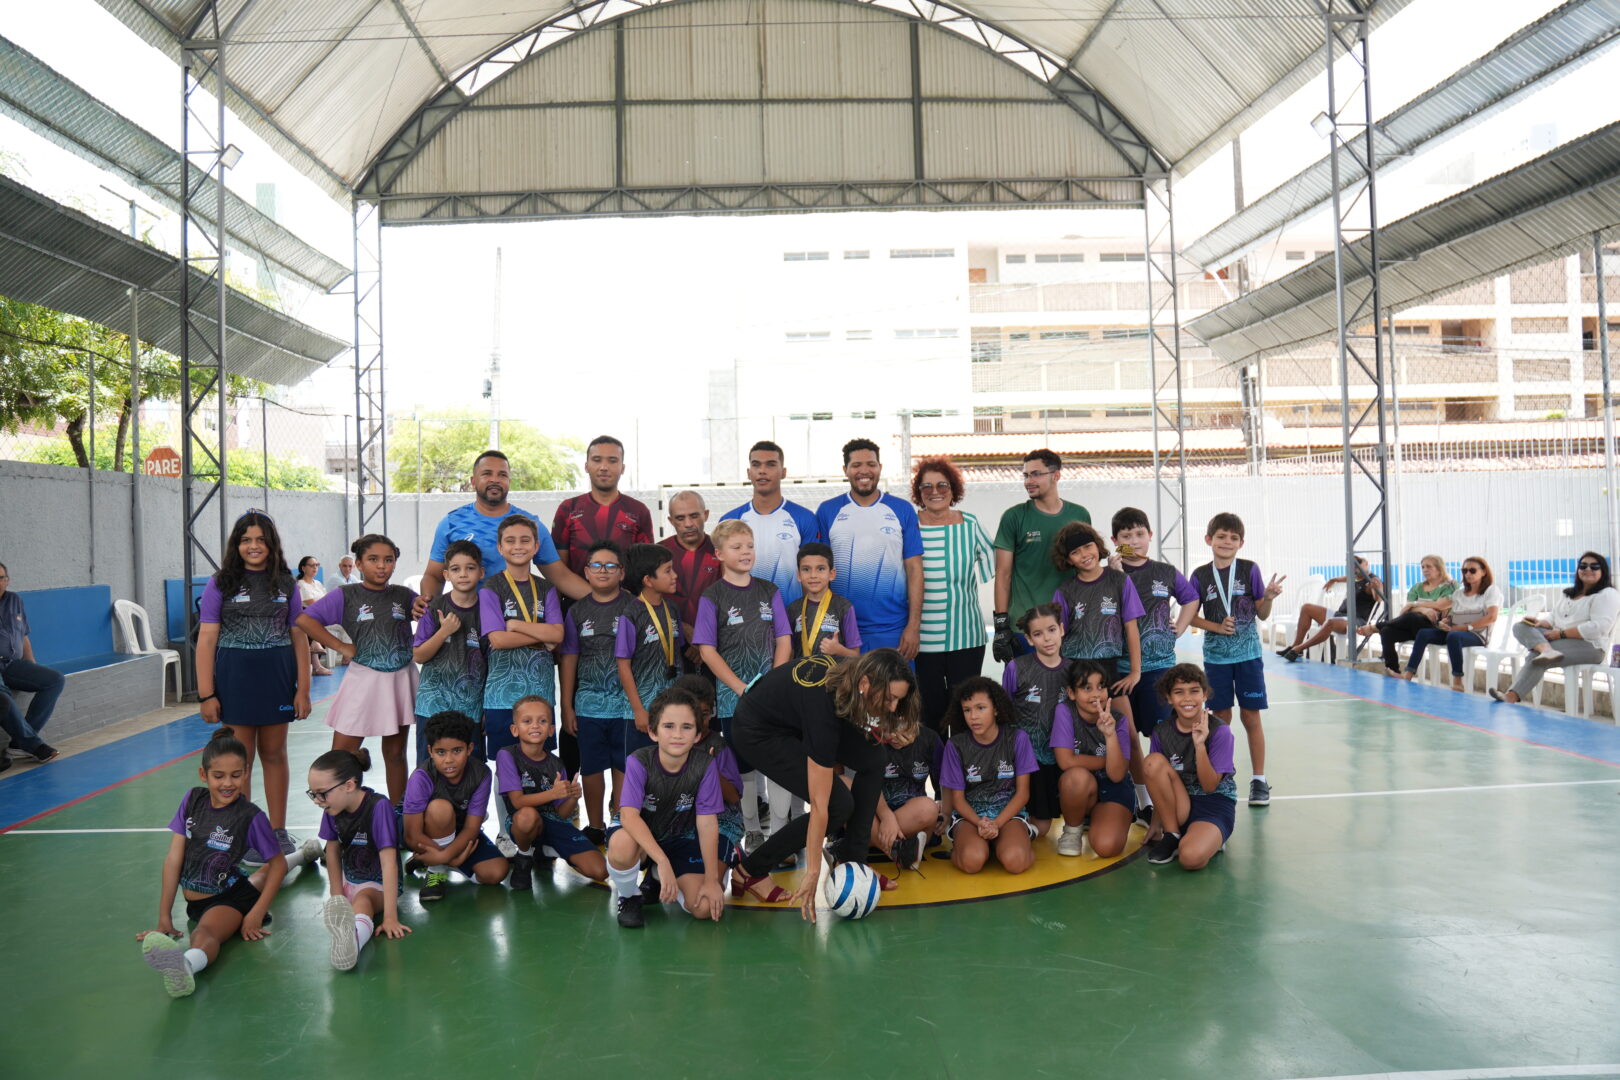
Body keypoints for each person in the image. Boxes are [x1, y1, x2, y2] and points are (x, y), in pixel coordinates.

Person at [730, 650, 920, 921]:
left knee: (874, 757)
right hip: (757, 731)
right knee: (837, 804)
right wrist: (813, 872)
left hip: (791, 721)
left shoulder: (854, 675)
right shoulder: (822, 706)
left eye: (898, 700)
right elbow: (819, 805)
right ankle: (749, 871)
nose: (892, 707)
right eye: (889, 698)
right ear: (866, 683)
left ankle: (853, 863)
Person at [135, 728, 291, 999]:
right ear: (203, 775)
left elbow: (277, 864)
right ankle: (307, 854)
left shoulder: (250, 816)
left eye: (236, 775)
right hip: (205, 897)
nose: (227, 783)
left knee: (205, 933)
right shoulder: (192, 800)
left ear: (246, 772)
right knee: (260, 877)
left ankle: (185, 966)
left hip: (228, 899)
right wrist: (164, 916)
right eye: (218, 776)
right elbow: (173, 859)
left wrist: (255, 913)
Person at [195, 510, 312, 853]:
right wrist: (206, 694)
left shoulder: (286, 583)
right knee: (239, 759)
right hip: (235, 680)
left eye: (261, 539)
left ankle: (277, 830)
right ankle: (242, 830)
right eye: (246, 540)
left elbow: (299, 638)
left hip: (276, 678)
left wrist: (303, 689)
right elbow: (205, 641)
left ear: (272, 543)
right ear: (237, 544)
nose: (254, 546)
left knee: (274, 753)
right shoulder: (221, 583)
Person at [296, 534, 419, 805]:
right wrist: (341, 645)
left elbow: (430, 616)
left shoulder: (405, 595)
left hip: (400, 678)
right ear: (360, 563)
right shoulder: (345, 595)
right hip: (363, 680)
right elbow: (305, 619)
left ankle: (399, 815)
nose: (382, 566)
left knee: (396, 754)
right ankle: (337, 816)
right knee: (340, 756)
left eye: (389, 560)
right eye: (373, 559)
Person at [695, 520, 792, 846]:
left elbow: (784, 640)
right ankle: (751, 830)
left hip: (773, 700)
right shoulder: (713, 596)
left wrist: (775, 685)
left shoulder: (769, 590)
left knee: (778, 765)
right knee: (744, 769)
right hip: (732, 699)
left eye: (749, 546)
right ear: (720, 554)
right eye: (737, 547)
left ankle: (780, 834)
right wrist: (740, 688)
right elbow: (707, 650)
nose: (745, 552)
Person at [606, 688, 727, 928]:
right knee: (621, 845)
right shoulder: (639, 761)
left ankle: (655, 877)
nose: (677, 735)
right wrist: (662, 860)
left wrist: (712, 880)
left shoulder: (705, 765)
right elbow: (629, 817)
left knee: (704, 908)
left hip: (678, 837)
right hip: (639, 839)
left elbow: (707, 822)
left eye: (687, 727)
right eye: (669, 726)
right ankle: (629, 896)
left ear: (697, 735)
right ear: (653, 732)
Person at [1185, 513, 1283, 807]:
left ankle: (1259, 780)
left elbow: (1261, 614)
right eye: (1221, 536)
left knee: (1251, 716)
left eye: (1233, 538)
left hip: (1249, 656)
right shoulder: (1200, 576)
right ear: (1208, 540)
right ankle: (1220, 776)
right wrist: (1216, 627)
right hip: (1216, 658)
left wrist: (1268, 597)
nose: (1227, 542)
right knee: (1220, 718)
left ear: (1241, 543)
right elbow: (1192, 615)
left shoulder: (1250, 569)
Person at [414, 450, 586, 615]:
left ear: (509, 481)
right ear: (473, 481)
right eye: (487, 473)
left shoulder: (530, 525)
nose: (495, 480)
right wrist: (428, 607)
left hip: (515, 621)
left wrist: (606, 601)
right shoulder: (451, 523)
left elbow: (561, 577)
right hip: (464, 622)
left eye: (502, 475)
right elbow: (434, 576)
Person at [1109, 507, 1199, 816]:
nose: (1133, 541)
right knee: (1129, 736)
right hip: (1120, 670)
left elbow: (1191, 598)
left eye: (1138, 534)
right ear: (1114, 540)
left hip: (1160, 668)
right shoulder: (1110, 574)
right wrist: (1117, 572)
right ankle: (1143, 798)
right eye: (1125, 536)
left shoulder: (1165, 571)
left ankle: (1171, 793)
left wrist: (1183, 625)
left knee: (1161, 733)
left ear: (1150, 536)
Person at [815, 438, 924, 657]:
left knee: (893, 691)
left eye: (871, 464)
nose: (864, 470)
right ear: (845, 470)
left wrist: (913, 626)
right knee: (846, 692)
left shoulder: (901, 509)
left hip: (892, 628)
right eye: (856, 465)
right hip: (840, 628)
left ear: (880, 468)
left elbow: (915, 570)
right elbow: (819, 571)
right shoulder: (827, 511)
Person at [559, 538, 636, 844]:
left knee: (622, 765)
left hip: (627, 706)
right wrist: (567, 706)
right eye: (596, 566)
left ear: (621, 572)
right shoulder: (577, 612)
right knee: (591, 768)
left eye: (610, 566)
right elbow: (568, 660)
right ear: (586, 572)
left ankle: (619, 820)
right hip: (588, 705)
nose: (603, 571)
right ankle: (595, 825)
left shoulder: (634, 607)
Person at [911, 456, 994, 733]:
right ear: (918, 492)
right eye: (926, 486)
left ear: (953, 488)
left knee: (965, 713)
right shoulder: (909, 526)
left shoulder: (970, 524)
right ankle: (937, 775)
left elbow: (998, 563)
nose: (935, 491)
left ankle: (963, 774)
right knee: (930, 714)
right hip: (922, 640)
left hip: (967, 636)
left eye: (942, 484)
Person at [309, 748, 409, 972]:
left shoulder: (378, 807)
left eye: (321, 793)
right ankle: (348, 926)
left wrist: (391, 916)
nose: (317, 800)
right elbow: (332, 852)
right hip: (350, 880)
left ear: (349, 785)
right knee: (352, 904)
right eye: (313, 794)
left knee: (363, 901)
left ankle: (351, 945)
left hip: (380, 885)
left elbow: (389, 863)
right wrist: (337, 897)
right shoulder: (332, 809)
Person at [991, 449, 1092, 663]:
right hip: (1025, 626)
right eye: (1026, 475)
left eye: (1036, 474)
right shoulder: (1013, 517)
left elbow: (1087, 567)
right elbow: (1003, 574)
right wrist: (1001, 625)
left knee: (1070, 693)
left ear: (1056, 475)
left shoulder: (1080, 515)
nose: (1029, 481)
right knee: (1029, 695)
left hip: (1069, 624)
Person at [496, 695, 607, 890]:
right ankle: (524, 856)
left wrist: (572, 798)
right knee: (527, 815)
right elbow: (518, 802)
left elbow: (561, 814)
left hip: (553, 824)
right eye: (527, 721)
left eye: (543, 721)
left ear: (551, 730)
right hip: (521, 823)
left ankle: (544, 851)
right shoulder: (506, 755)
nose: (535, 725)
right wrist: (554, 794)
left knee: (600, 871)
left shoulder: (557, 764)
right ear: (515, 729)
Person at [478, 515, 563, 764]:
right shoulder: (492, 587)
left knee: (539, 762)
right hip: (502, 696)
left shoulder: (546, 588)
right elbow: (498, 640)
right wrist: (540, 635)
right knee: (505, 764)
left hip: (540, 695)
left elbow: (557, 635)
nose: (518, 546)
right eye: (510, 541)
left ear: (536, 547)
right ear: (500, 547)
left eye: (525, 540)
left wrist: (515, 625)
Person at [402, 711, 509, 902]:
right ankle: (436, 871)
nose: (449, 760)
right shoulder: (422, 777)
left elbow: (471, 828)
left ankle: (431, 858)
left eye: (457, 751)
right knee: (440, 809)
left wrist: (446, 855)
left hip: (457, 830)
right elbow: (412, 835)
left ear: (469, 749)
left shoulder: (481, 774)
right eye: (441, 752)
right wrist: (450, 858)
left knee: (496, 872)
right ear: (430, 751)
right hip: (422, 830)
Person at [1490, 551, 1620, 705]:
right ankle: (1546, 650)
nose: (1588, 569)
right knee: (1521, 626)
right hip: (1559, 639)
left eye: (1594, 566)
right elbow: (1553, 617)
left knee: (1535, 656)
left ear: (1603, 571)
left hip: (1590, 646)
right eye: (1583, 565)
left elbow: (1599, 628)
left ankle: (1511, 696)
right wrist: (1540, 624)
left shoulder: (1607, 594)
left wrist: (1561, 634)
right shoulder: (1569, 593)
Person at [1051, 523, 1145, 735]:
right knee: (1083, 736)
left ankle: (1135, 770)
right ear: (1067, 560)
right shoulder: (1065, 590)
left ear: (1097, 546)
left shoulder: (1120, 580)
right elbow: (1058, 636)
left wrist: (1135, 672)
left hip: (1110, 671)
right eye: (1075, 552)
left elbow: (1131, 627)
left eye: (1087, 546)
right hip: (1075, 669)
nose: (1084, 554)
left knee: (1127, 734)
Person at [940, 676, 1038, 876]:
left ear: (995, 708)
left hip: (1008, 816)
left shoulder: (1017, 738)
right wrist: (979, 823)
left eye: (980, 708)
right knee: (972, 862)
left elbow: (1022, 794)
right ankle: (972, 846)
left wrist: (997, 824)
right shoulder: (955, 745)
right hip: (970, 818)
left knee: (1015, 862)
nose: (973, 716)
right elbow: (957, 799)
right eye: (967, 710)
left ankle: (1014, 840)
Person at [1143, 664, 1237, 871]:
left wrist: (1199, 745)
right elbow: (1158, 780)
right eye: (1179, 692)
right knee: (1151, 762)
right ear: (1169, 698)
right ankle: (1172, 834)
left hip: (1213, 804)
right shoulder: (1161, 732)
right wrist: (1155, 824)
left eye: (1194, 691)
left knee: (1191, 858)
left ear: (1204, 695)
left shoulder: (1220, 731)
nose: (1187, 698)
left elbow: (1210, 786)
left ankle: (1208, 838)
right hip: (1178, 803)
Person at [412, 540, 487, 765]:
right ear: (446, 574)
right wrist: (443, 631)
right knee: (429, 770)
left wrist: (486, 708)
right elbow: (419, 655)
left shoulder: (488, 610)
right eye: (456, 569)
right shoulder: (434, 607)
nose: (463, 574)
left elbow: (491, 663)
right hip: (432, 707)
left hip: (470, 708)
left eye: (470, 568)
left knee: (471, 772)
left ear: (481, 572)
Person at [720, 440, 822, 605]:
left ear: (783, 472)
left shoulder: (804, 518)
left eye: (770, 465)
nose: (762, 471)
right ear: (749, 472)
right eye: (756, 465)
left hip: (791, 617)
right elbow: (725, 576)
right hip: (746, 619)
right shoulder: (730, 521)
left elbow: (812, 574)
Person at [1049, 660, 1133, 858]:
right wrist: (1110, 760)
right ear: (1071, 693)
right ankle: (1072, 830)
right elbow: (1066, 762)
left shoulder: (1119, 720)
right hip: (1080, 789)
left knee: (1106, 847)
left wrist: (1110, 735)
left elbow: (1117, 774)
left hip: (1113, 787)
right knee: (1076, 776)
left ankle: (1101, 818)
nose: (1096, 694)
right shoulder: (1065, 711)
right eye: (1087, 688)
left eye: (1101, 687)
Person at [1001, 603, 1072, 833]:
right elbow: (1004, 713)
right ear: (1029, 640)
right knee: (1040, 828)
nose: (1047, 639)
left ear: (1061, 629)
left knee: (1045, 824)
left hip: (1063, 757)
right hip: (1028, 760)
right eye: (1038, 634)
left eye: (1051, 630)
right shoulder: (1016, 668)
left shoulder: (1073, 670)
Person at [551, 435, 655, 579]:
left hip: (627, 600)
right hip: (576, 600)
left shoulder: (639, 511)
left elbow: (646, 567)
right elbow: (558, 569)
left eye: (612, 461)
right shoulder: (568, 509)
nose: (604, 467)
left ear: (622, 468)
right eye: (597, 460)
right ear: (586, 466)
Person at [617, 543, 685, 761]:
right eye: (667, 570)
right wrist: (638, 710)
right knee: (642, 771)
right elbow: (623, 665)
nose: (674, 575)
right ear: (648, 580)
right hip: (643, 712)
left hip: (673, 709)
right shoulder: (631, 614)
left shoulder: (672, 609)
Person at [0, 563, 65, 771]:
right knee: (2, 695)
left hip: (12, 664)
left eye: (1, 578)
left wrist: (31, 666)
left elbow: (23, 635)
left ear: (7, 580)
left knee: (54, 680)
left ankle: (19, 745)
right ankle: (34, 745)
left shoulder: (14, 600)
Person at [1405, 556, 1501, 689]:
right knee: (1423, 633)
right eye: (1464, 571)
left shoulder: (1491, 590)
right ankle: (1408, 674)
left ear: (1484, 572)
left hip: (1476, 634)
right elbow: (1453, 616)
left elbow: (1492, 617)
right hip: (1456, 631)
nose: (1468, 574)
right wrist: (1445, 622)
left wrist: (1466, 627)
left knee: (1453, 636)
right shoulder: (1459, 593)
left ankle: (1457, 679)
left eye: (1472, 570)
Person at [1363, 555, 1456, 676]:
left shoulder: (1450, 585)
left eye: (1429, 566)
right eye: (1422, 567)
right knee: (1387, 631)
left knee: (1413, 617)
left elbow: (1441, 605)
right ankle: (1393, 670)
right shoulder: (1417, 587)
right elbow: (1407, 610)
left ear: (1439, 569)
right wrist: (1424, 610)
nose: (1425, 570)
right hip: (1414, 626)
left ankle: (1376, 627)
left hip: (1436, 628)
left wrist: (1415, 605)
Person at [874, 716, 944, 872]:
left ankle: (868, 843)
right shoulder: (871, 739)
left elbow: (944, 783)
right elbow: (866, 788)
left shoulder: (929, 739)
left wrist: (944, 809)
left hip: (912, 819)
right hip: (877, 814)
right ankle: (902, 849)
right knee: (845, 792)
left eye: (901, 725)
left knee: (929, 807)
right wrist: (886, 816)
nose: (894, 735)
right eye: (888, 726)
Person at [1279, 557, 1383, 661]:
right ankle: (1295, 646)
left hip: (1355, 621)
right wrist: (1334, 580)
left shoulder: (1373, 580)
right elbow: (1347, 578)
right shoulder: (1356, 577)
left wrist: (1376, 589)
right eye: (1352, 567)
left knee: (1330, 622)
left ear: (1365, 563)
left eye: (1357, 566)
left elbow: (1378, 598)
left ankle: (1299, 648)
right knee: (1306, 608)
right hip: (1340, 615)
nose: (1355, 569)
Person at [659, 490, 721, 661]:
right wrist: (683, 628)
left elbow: (731, 598)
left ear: (706, 515)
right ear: (671, 521)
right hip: (669, 646)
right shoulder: (658, 552)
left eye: (694, 516)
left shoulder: (721, 550)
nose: (688, 524)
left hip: (716, 644)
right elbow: (649, 601)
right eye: (680, 518)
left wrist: (703, 637)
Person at [787, 542, 861, 660]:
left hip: (834, 677)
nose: (813, 575)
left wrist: (838, 650)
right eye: (806, 569)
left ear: (831, 574)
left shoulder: (844, 607)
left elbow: (856, 656)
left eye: (820, 569)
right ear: (799, 575)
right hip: (800, 677)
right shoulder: (793, 609)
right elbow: (789, 652)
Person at [295, 556, 335, 677]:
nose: (315, 568)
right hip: (306, 613)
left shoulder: (317, 583)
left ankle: (316, 647)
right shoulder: (301, 584)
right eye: (312, 565)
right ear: (303, 568)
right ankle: (317, 664)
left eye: (317, 565)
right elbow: (311, 603)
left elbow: (328, 600)